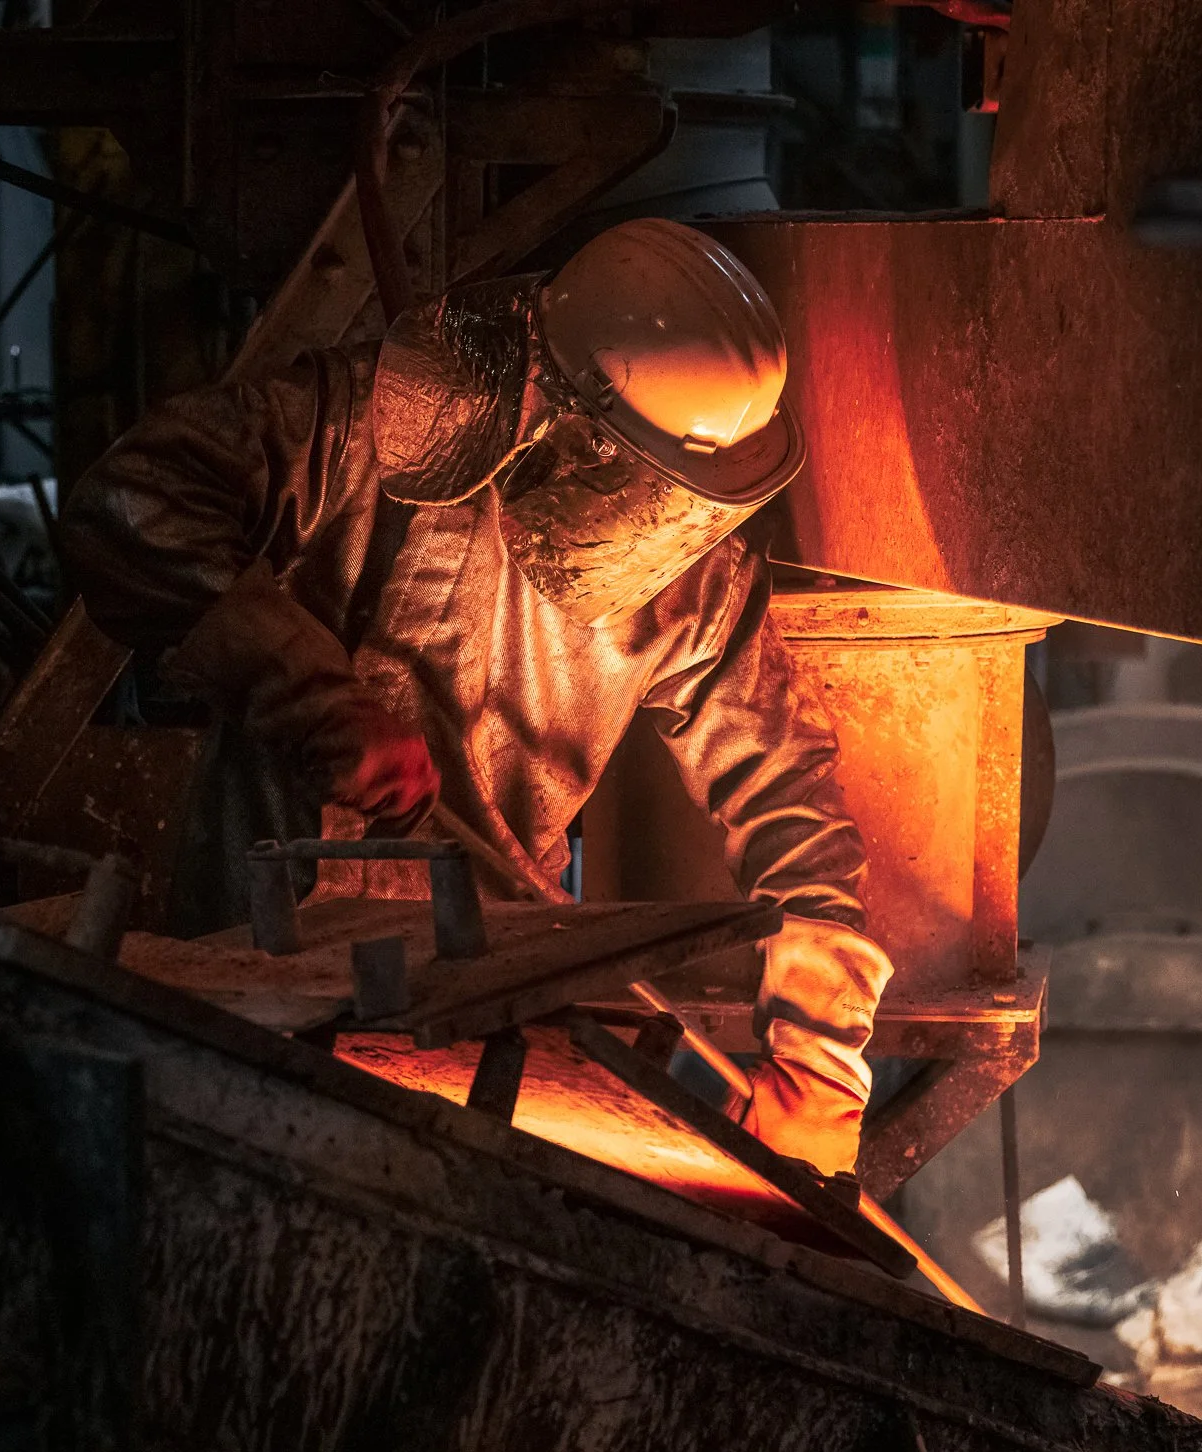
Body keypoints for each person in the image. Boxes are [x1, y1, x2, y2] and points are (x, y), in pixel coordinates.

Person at [63, 216, 892, 1177]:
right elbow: (130, 505)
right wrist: (311, 694)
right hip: (252, 971)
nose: (659, 516)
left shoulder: (685, 565)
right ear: (558, 408)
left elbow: (787, 783)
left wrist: (820, 1058)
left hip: (491, 1001)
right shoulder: (357, 437)